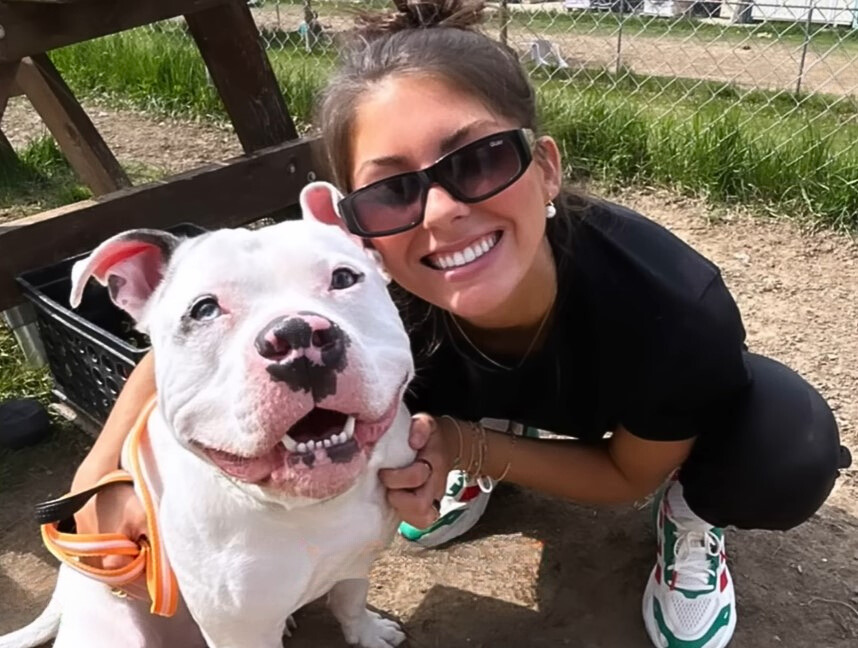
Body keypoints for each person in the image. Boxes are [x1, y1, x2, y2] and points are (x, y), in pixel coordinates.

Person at [69, 1, 851, 646]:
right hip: (481, 393)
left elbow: (625, 478)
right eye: (392, 192)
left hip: (624, 425)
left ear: (544, 165)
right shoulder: (356, 288)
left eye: (477, 161)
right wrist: (95, 486)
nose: (441, 214)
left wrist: (453, 444)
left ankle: (684, 516)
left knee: (789, 445)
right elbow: (186, 343)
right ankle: (480, 450)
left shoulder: (671, 306)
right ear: (358, 226)